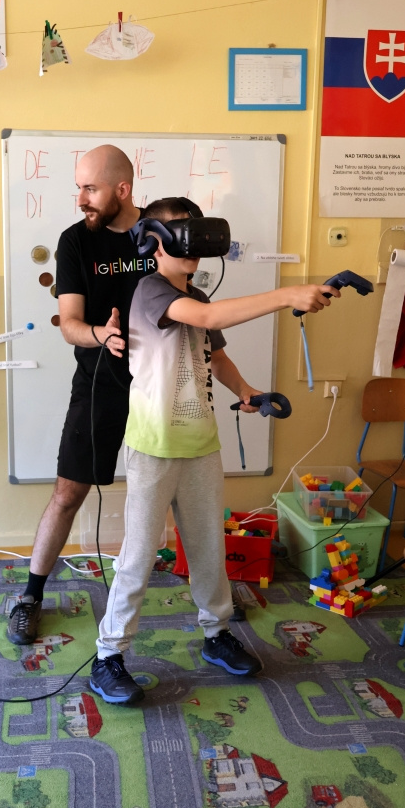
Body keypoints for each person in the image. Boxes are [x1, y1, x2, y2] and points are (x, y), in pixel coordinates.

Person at [89, 198, 340, 704]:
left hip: (201, 444)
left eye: (198, 236)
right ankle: (108, 656)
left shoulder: (197, 293)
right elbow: (204, 316)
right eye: (183, 236)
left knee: (208, 550)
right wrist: (287, 293)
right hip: (154, 447)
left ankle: (217, 634)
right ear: (153, 242)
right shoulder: (150, 290)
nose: (195, 248)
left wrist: (245, 391)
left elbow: (214, 353)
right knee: (138, 556)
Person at [7, 145, 154, 646]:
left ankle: (213, 607)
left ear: (122, 190)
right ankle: (30, 596)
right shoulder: (75, 241)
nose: (82, 199)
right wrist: (102, 335)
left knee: (178, 493)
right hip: (99, 383)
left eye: (91, 189)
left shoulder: (159, 231)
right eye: (79, 188)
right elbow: (69, 323)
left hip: (161, 383)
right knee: (68, 493)